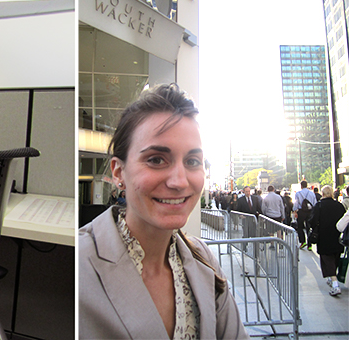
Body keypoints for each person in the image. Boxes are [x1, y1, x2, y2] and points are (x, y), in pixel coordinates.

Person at [78, 84, 248, 339]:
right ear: (118, 172)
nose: (179, 181)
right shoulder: (80, 265)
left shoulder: (204, 261)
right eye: (156, 159)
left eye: (192, 161)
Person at [309, 185, 346, 296]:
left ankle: (335, 283)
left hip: (323, 236)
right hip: (337, 235)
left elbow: (313, 221)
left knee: (327, 259)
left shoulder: (319, 206)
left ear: (323, 194)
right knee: (335, 257)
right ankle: (332, 277)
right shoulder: (339, 206)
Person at [293, 180, 317, 249]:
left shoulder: (298, 193)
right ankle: (310, 245)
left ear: (301, 186)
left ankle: (303, 242)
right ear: (307, 185)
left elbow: (296, 203)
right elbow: (315, 203)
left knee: (300, 227)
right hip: (310, 211)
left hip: (301, 212)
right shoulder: (311, 193)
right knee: (308, 227)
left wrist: (295, 211)